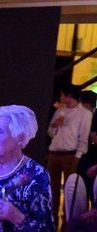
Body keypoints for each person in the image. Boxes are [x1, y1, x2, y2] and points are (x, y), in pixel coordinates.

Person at [46, 85, 87, 222]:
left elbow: (83, 137)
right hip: (54, 153)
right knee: (52, 187)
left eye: (62, 95)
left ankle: (68, 218)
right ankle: (52, 216)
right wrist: (54, 125)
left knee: (70, 189)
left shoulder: (84, 114)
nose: (60, 98)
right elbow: (50, 133)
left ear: (69, 96)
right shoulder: (61, 111)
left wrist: (77, 156)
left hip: (71, 155)